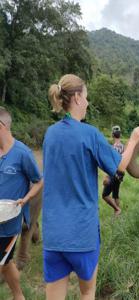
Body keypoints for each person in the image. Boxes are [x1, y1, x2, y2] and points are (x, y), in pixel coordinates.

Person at [43, 74, 139, 300]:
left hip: (53, 234)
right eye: (86, 97)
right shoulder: (90, 134)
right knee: (88, 292)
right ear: (77, 97)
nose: (88, 102)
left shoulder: (50, 134)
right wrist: (135, 139)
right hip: (81, 235)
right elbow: (119, 166)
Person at [0, 107, 43, 300]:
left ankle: (18, 293)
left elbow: (39, 181)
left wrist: (25, 199)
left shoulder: (22, 153)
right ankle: (19, 296)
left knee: (4, 260)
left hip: (9, 222)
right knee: (6, 263)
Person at [102, 125, 124, 215]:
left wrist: (107, 176)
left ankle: (117, 209)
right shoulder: (123, 147)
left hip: (113, 173)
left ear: (112, 135)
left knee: (105, 195)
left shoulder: (111, 147)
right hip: (120, 173)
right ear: (120, 135)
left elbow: (110, 163)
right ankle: (118, 215)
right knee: (115, 194)